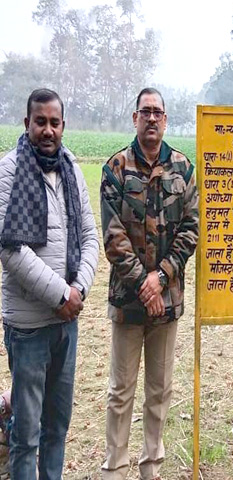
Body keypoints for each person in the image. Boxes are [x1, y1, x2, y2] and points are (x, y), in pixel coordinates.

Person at [0, 88, 99, 480]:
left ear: (63, 125)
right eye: (40, 121)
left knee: (57, 427)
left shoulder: (70, 168)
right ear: (27, 123)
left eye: (54, 123)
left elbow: (90, 237)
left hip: (66, 324)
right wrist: (60, 294)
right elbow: (10, 249)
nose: (47, 130)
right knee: (26, 435)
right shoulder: (9, 170)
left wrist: (79, 291)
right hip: (28, 328)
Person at [100, 87, 199, 480]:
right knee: (120, 392)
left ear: (166, 120)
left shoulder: (183, 169)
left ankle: (151, 468)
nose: (152, 118)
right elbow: (114, 237)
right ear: (135, 118)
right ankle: (115, 469)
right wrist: (145, 284)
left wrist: (161, 278)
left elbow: (191, 230)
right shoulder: (115, 168)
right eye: (146, 111)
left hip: (167, 302)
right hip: (128, 302)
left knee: (159, 391)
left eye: (158, 112)